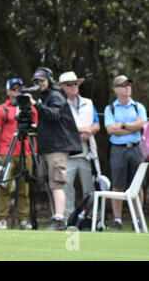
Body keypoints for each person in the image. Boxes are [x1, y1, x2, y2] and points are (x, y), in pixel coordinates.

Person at [26, 67, 82, 231]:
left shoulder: (55, 95)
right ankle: (56, 218)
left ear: (49, 80)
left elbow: (55, 115)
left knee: (57, 184)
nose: (39, 84)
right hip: (48, 147)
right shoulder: (46, 97)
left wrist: (35, 104)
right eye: (36, 81)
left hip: (58, 148)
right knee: (51, 184)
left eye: (42, 81)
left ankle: (59, 221)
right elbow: (50, 121)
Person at [0, 77, 38, 230]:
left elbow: (36, 130)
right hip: (7, 153)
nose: (17, 91)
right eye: (14, 88)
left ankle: (23, 219)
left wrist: (34, 152)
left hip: (26, 151)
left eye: (20, 88)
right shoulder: (2, 109)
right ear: (8, 91)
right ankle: (2, 219)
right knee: (4, 186)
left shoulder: (31, 108)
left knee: (24, 188)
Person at [104, 75, 147, 230]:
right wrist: (131, 126)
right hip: (118, 150)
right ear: (116, 89)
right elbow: (110, 130)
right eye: (123, 85)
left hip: (135, 149)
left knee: (138, 185)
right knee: (118, 185)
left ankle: (138, 219)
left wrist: (121, 125)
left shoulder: (138, 106)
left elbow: (141, 124)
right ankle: (117, 220)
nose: (127, 87)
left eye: (129, 84)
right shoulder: (110, 108)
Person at [57, 71, 100, 223]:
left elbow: (96, 123)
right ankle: (68, 221)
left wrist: (89, 131)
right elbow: (63, 126)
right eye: (69, 84)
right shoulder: (59, 104)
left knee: (92, 188)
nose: (73, 86)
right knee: (67, 189)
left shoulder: (88, 102)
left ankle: (92, 219)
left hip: (88, 152)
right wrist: (83, 131)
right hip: (68, 154)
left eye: (75, 83)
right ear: (62, 88)